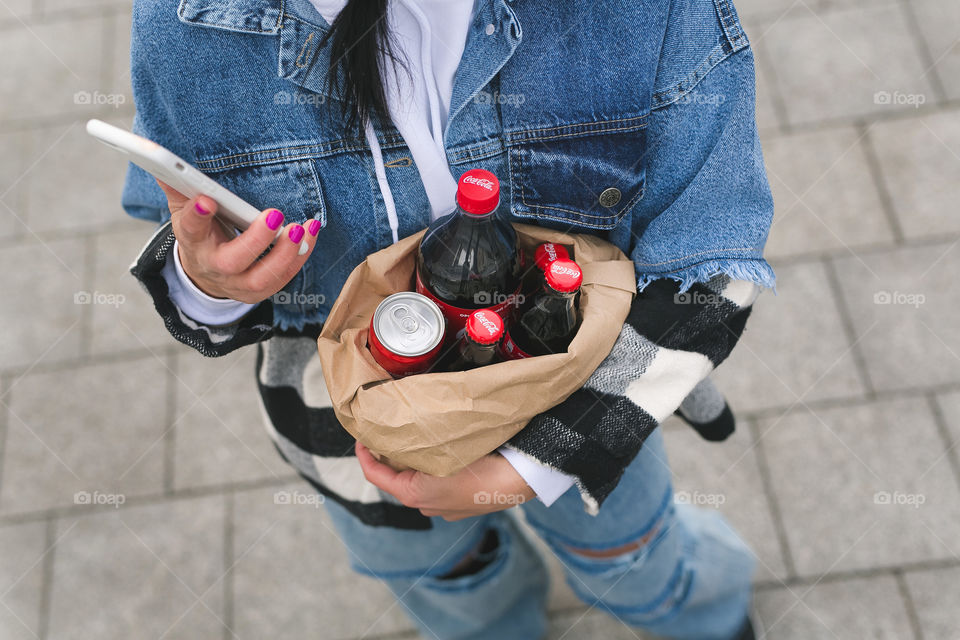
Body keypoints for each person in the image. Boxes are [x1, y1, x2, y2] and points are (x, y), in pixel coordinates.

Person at [122, 0, 776, 638]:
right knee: (460, 592)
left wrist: (535, 464)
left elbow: (712, 253)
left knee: (639, 568)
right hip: (353, 443)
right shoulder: (182, 23)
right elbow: (183, 234)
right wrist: (208, 281)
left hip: (587, 406)